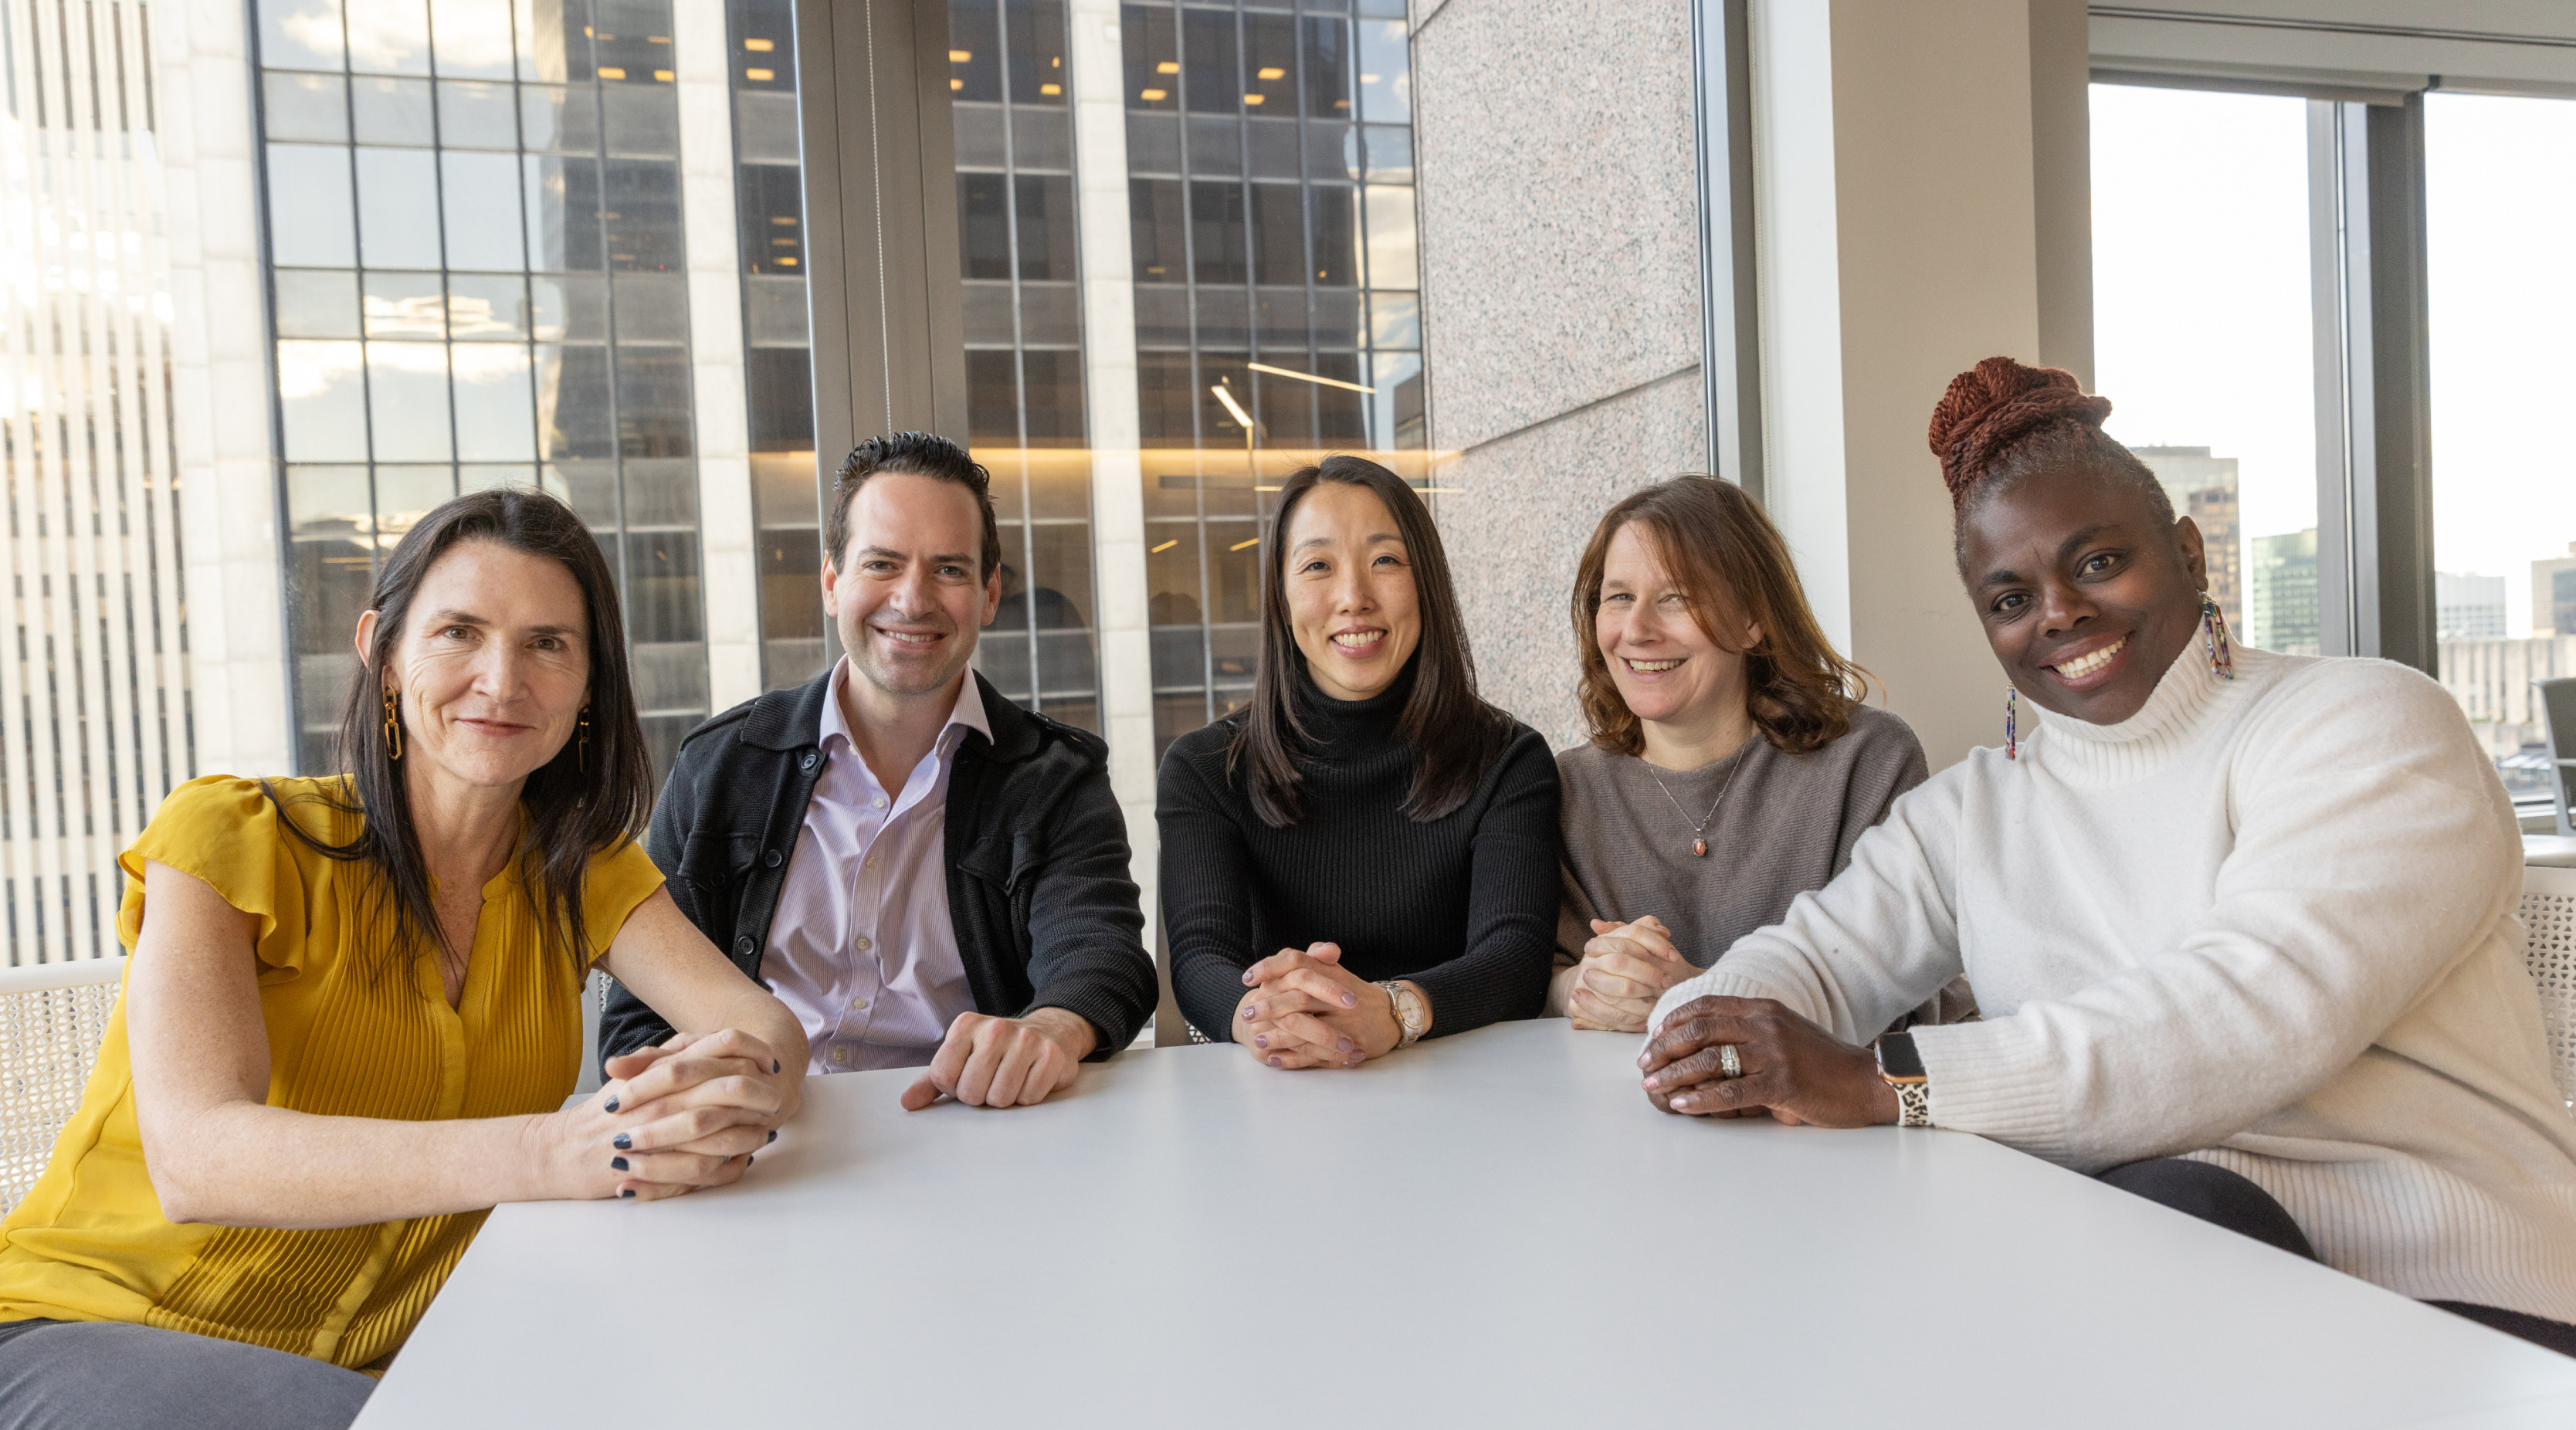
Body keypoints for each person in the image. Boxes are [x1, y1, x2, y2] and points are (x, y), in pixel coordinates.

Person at [1638, 357, 2576, 1355]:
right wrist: (1705, 1039)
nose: (2057, 613)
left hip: (2445, 1298)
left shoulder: (2364, 721)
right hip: (2136, 1261)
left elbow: (2249, 1011)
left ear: (2189, 553)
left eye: (2095, 564)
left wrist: (1884, 1082)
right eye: (2008, 599)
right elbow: (1811, 961)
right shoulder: (1972, 810)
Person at [0, 489, 808, 1427]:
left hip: (384, 1372)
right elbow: (197, 1158)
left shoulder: (577, 870)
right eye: (459, 631)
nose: (502, 681)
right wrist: (561, 1147)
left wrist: (709, 1089)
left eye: (548, 643)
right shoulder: (231, 836)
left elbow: (767, 1029)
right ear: (383, 654)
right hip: (84, 1324)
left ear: (590, 684)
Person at [602, 432, 1156, 1110]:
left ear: (989, 595)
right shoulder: (719, 767)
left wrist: (1047, 1029)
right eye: (883, 564)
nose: (913, 600)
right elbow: (637, 1016)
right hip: (762, 1140)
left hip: (972, 1131)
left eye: (949, 570)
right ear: (834, 584)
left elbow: (1102, 957)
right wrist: (681, 1075)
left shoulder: (1056, 776)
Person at [1160, 455, 1560, 1065]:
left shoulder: (1508, 758)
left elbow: (1514, 958)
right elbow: (1201, 960)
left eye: (1386, 561)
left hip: (1469, 1091)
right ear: (1282, 596)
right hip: (1286, 1091)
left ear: (1426, 583)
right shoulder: (1205, 767)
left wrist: (1394, 1011)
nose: (1354, 598)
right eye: (1318, 566)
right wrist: (1273, 1021)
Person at [1550, 476, 1933, 1032]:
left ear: (1753, 618)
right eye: (1620, 597)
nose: (1636, 630)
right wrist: (1584, 988)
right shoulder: (1567, 788)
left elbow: (1904, 999)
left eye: (1676, 597)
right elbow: (1526, 975)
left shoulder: (1867, 762)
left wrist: (1700, 996)